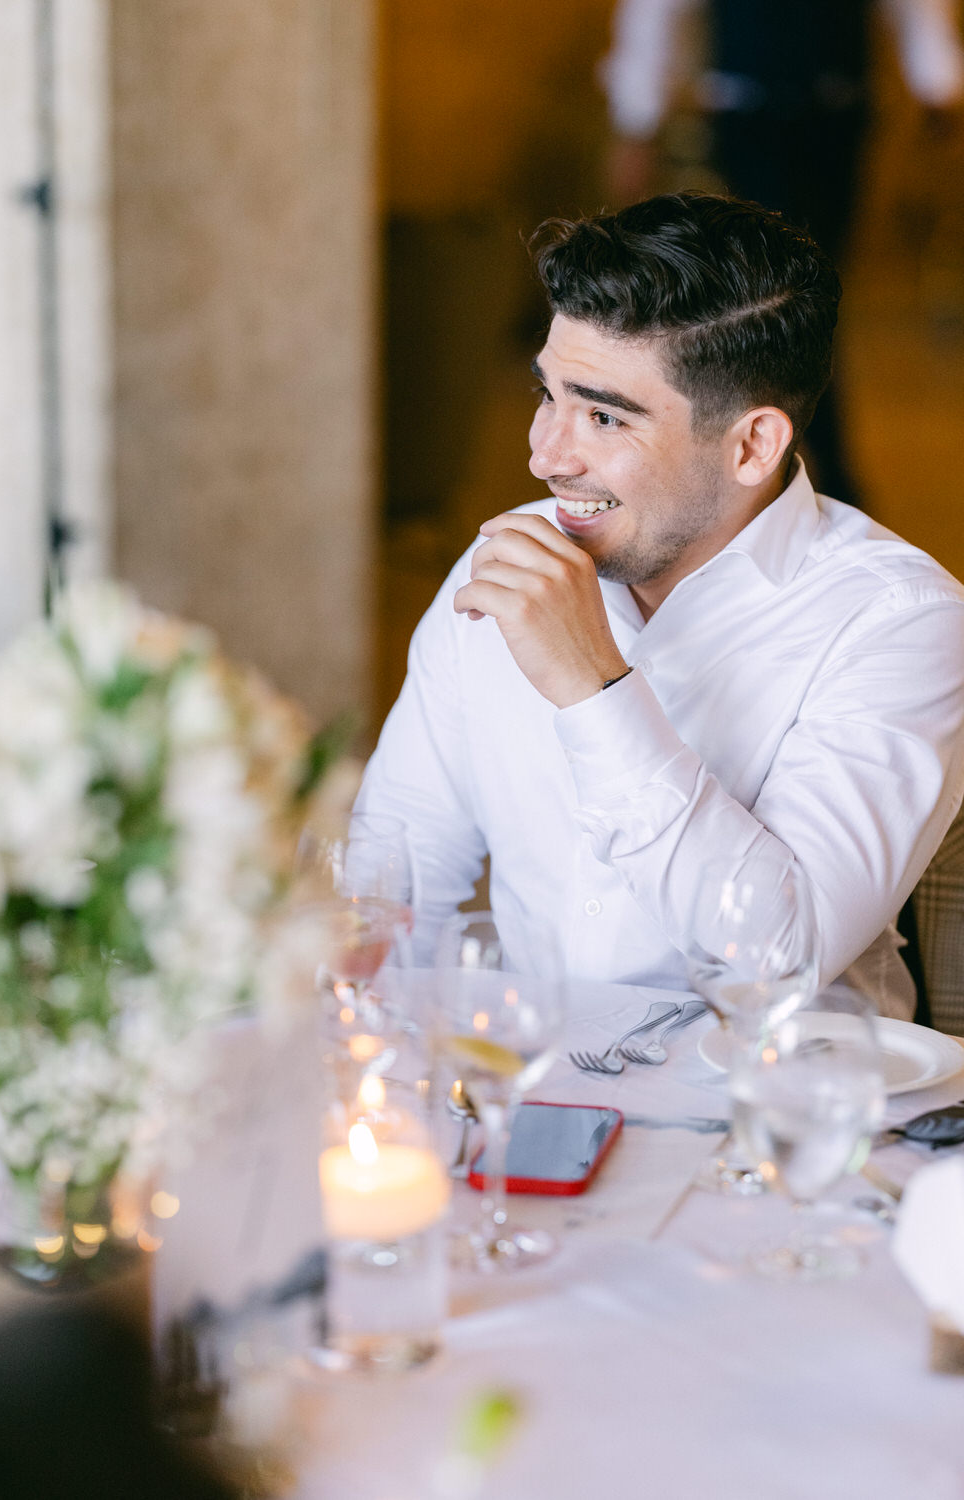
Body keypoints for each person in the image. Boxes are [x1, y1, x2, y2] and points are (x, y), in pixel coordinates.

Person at [358, 192, 964, 1019]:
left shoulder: (901, 621)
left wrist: (594, 689)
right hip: (531, 1101)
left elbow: (775, 963)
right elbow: (396, 884)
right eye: (549, 396)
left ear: (753, 444)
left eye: (603, 416)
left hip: (774, 1121)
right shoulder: (503, 562)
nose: (544, 456)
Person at [601, 0, 964, 508]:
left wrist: (937, 81)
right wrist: (638, 119)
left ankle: (792, 468)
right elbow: (657, 14)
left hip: (839, 114)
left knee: (815, 295)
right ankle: (823, 474)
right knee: (785, 295)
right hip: (749, 115)